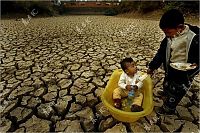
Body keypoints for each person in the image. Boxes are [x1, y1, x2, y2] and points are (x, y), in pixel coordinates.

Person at [147, 9, 199, 115]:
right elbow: (161, 53)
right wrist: (152, 66)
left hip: (186, 72)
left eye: (168, 32)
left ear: (179, 27)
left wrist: (196, 63)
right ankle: (167, 93)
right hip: (171, 67)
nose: (166, 35)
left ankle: (169, 108)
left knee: (177, 90)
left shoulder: (194, 37)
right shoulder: (169, 38)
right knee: (167, 83)